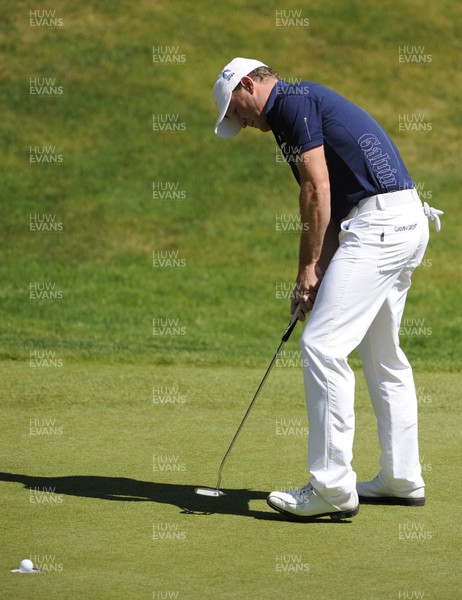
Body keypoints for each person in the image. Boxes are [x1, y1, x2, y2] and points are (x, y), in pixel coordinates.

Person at [212, 57, 443, 520]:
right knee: (382, 354)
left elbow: (316, 192)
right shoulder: (298, 104)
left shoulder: (289, 105)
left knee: (321, 346)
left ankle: (332, 487)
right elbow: (332, 210)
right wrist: (316, 277)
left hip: (379, 227)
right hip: (401, 222)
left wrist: (306, 269)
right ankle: (401, 477)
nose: (239, 121)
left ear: (246, 85)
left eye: (234, 110)